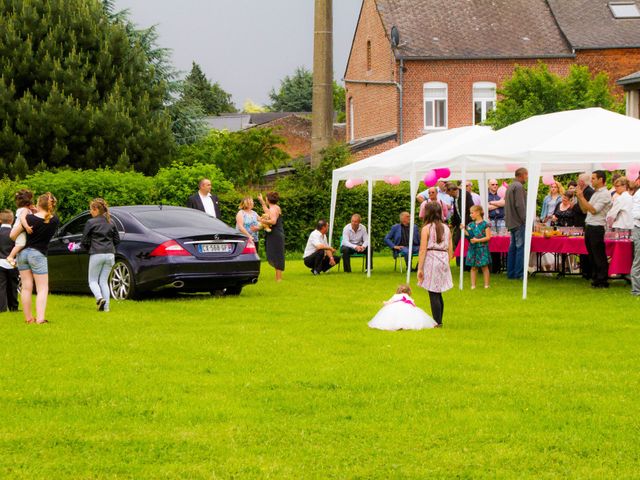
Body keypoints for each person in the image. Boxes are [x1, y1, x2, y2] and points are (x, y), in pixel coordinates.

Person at [11, 193, 59, 324]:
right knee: (42, 288)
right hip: (38, 254)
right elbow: (45, 217)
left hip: (23, 253)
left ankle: (28, 318)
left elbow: (13, 236)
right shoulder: (54, 220)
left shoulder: (29, 219)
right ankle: (40, 319)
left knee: (26, 287)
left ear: (38, 204)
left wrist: (25, 217)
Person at [81, 198, 120, 312]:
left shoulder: (91, 222)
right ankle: (106, 308)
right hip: (110, 254)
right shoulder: (111, 221)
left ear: (96, 209)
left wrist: (89, 249)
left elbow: (84, 240)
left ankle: (99, 298)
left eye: (91, 210)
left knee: (92, 281)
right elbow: (117, 240)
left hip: (96, 253)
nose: (90, 212)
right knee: (104, 281)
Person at [417, 202, 453, 327]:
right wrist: (447, 262)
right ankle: (439, 320)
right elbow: (450, 248)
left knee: (433, 292)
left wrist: (420, 268)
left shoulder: (426, 228)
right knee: (438, 291)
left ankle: (437, 321)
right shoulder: (446, 228)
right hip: (443, 257)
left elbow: (422, 249)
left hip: (432, 258)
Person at [576, 170, 612, 288]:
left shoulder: (605, 194)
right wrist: (580, 198)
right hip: (590, 226)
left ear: (601, 180)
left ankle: (602, 280)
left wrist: (582, 197)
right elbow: (584, 209)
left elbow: (593, 210)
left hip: (597, 227)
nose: (591, 181)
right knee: (591, 254)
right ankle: (596, 278)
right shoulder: (596, 193)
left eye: (593, 178)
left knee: (598, 254)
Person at [367, 284, 437, 331]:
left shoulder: (396, 296)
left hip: (394, 308)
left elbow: (390, 301)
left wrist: (385, 303)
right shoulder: (406, 297)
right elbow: (413, 304)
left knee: (394, 317)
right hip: (406, 308)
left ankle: (396, 326)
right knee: (407, 317)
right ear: (408, 292)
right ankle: (404, 326)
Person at [504, 168, 528, 280]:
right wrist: (525, 220)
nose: (527, 178)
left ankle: (511, 273)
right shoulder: (518, 186)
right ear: (522, 175)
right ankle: (518, 273)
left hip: (511, 222)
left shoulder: (510, 186)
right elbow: (520, 205)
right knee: (520, 248)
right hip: (518, 222)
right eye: (526, 175)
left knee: (513, 247)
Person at [258, 192, 285, 281]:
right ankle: (278, 278)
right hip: (275, 234)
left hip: (275, 234)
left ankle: (278, 279)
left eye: (265, 198)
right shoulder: (275, 207)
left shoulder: (273, 209)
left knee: (277, 255)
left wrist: (261, 220)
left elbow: (273, 221)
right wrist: (262, 202)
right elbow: (268, 212)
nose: (265, 199)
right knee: (275, 254)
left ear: (268, 199)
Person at [464, 205, 491, 289]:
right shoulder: (470, 225)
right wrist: (463, 230)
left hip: (482, 248)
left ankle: (486, 285)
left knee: (484, 267)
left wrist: (477, 240)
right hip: (473, 248)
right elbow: (469, 235)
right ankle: (473, 285)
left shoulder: (485, 224)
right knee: (473, 267)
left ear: (478, 212)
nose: (470, 215)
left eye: (472, 213)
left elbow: (488, 237)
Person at [574, 173, 595, 279]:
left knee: (586, 249)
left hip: (584, 222)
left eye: (578, 180)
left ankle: (587, 271)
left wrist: (573, 207)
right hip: (580, 222)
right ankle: (584, 271)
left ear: (582, 182)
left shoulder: (589, 192)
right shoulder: (583, 192)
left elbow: (585, 210)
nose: (577, 182)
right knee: (583, 248)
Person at [6, 189, 35, 267]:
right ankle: (10, 256)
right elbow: (22, 219)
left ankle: (15, 259)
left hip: (16, 230)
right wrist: (27, 227)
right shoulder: (25, 210)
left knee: (19, 244)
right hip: (20, 231)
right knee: (21, 244)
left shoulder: (21, 209)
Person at [448, 182, 473, 268]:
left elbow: (470, 210)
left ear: (452, 190)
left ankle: (470, 263)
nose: (449, 195)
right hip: (460, 224)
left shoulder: (466, 195)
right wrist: (452, 223)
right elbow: (456, 212)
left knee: (469, 242)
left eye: (449, 193)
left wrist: (465, 223)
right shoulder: (455, 198)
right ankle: (461, 263)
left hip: (468, 223)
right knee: (457, 240)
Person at [0, 210, 19, 313]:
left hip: (0, 262)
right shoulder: (15, 233)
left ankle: (1, 308)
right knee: (13, 286)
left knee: (1, 287)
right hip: (13, 262)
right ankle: (13, 307)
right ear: (12, 220)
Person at [488, 179, 505, 273]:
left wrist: (491, 203)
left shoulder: (501, 193)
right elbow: (486, 207)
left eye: (496, 184)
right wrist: (499, 204)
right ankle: (494, 266)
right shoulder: (486, 195)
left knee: (502, 242)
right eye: (492, 184)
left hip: (501, 220)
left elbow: (504, 203)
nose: (495, 186)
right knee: (492, 243)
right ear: (489, 185)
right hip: (491, 220)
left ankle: (500, 265)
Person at [631, 175, 640, 296]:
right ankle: (636, 291)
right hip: (639, 228)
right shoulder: (638, 194)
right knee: (638, 260)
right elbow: (636, 213)